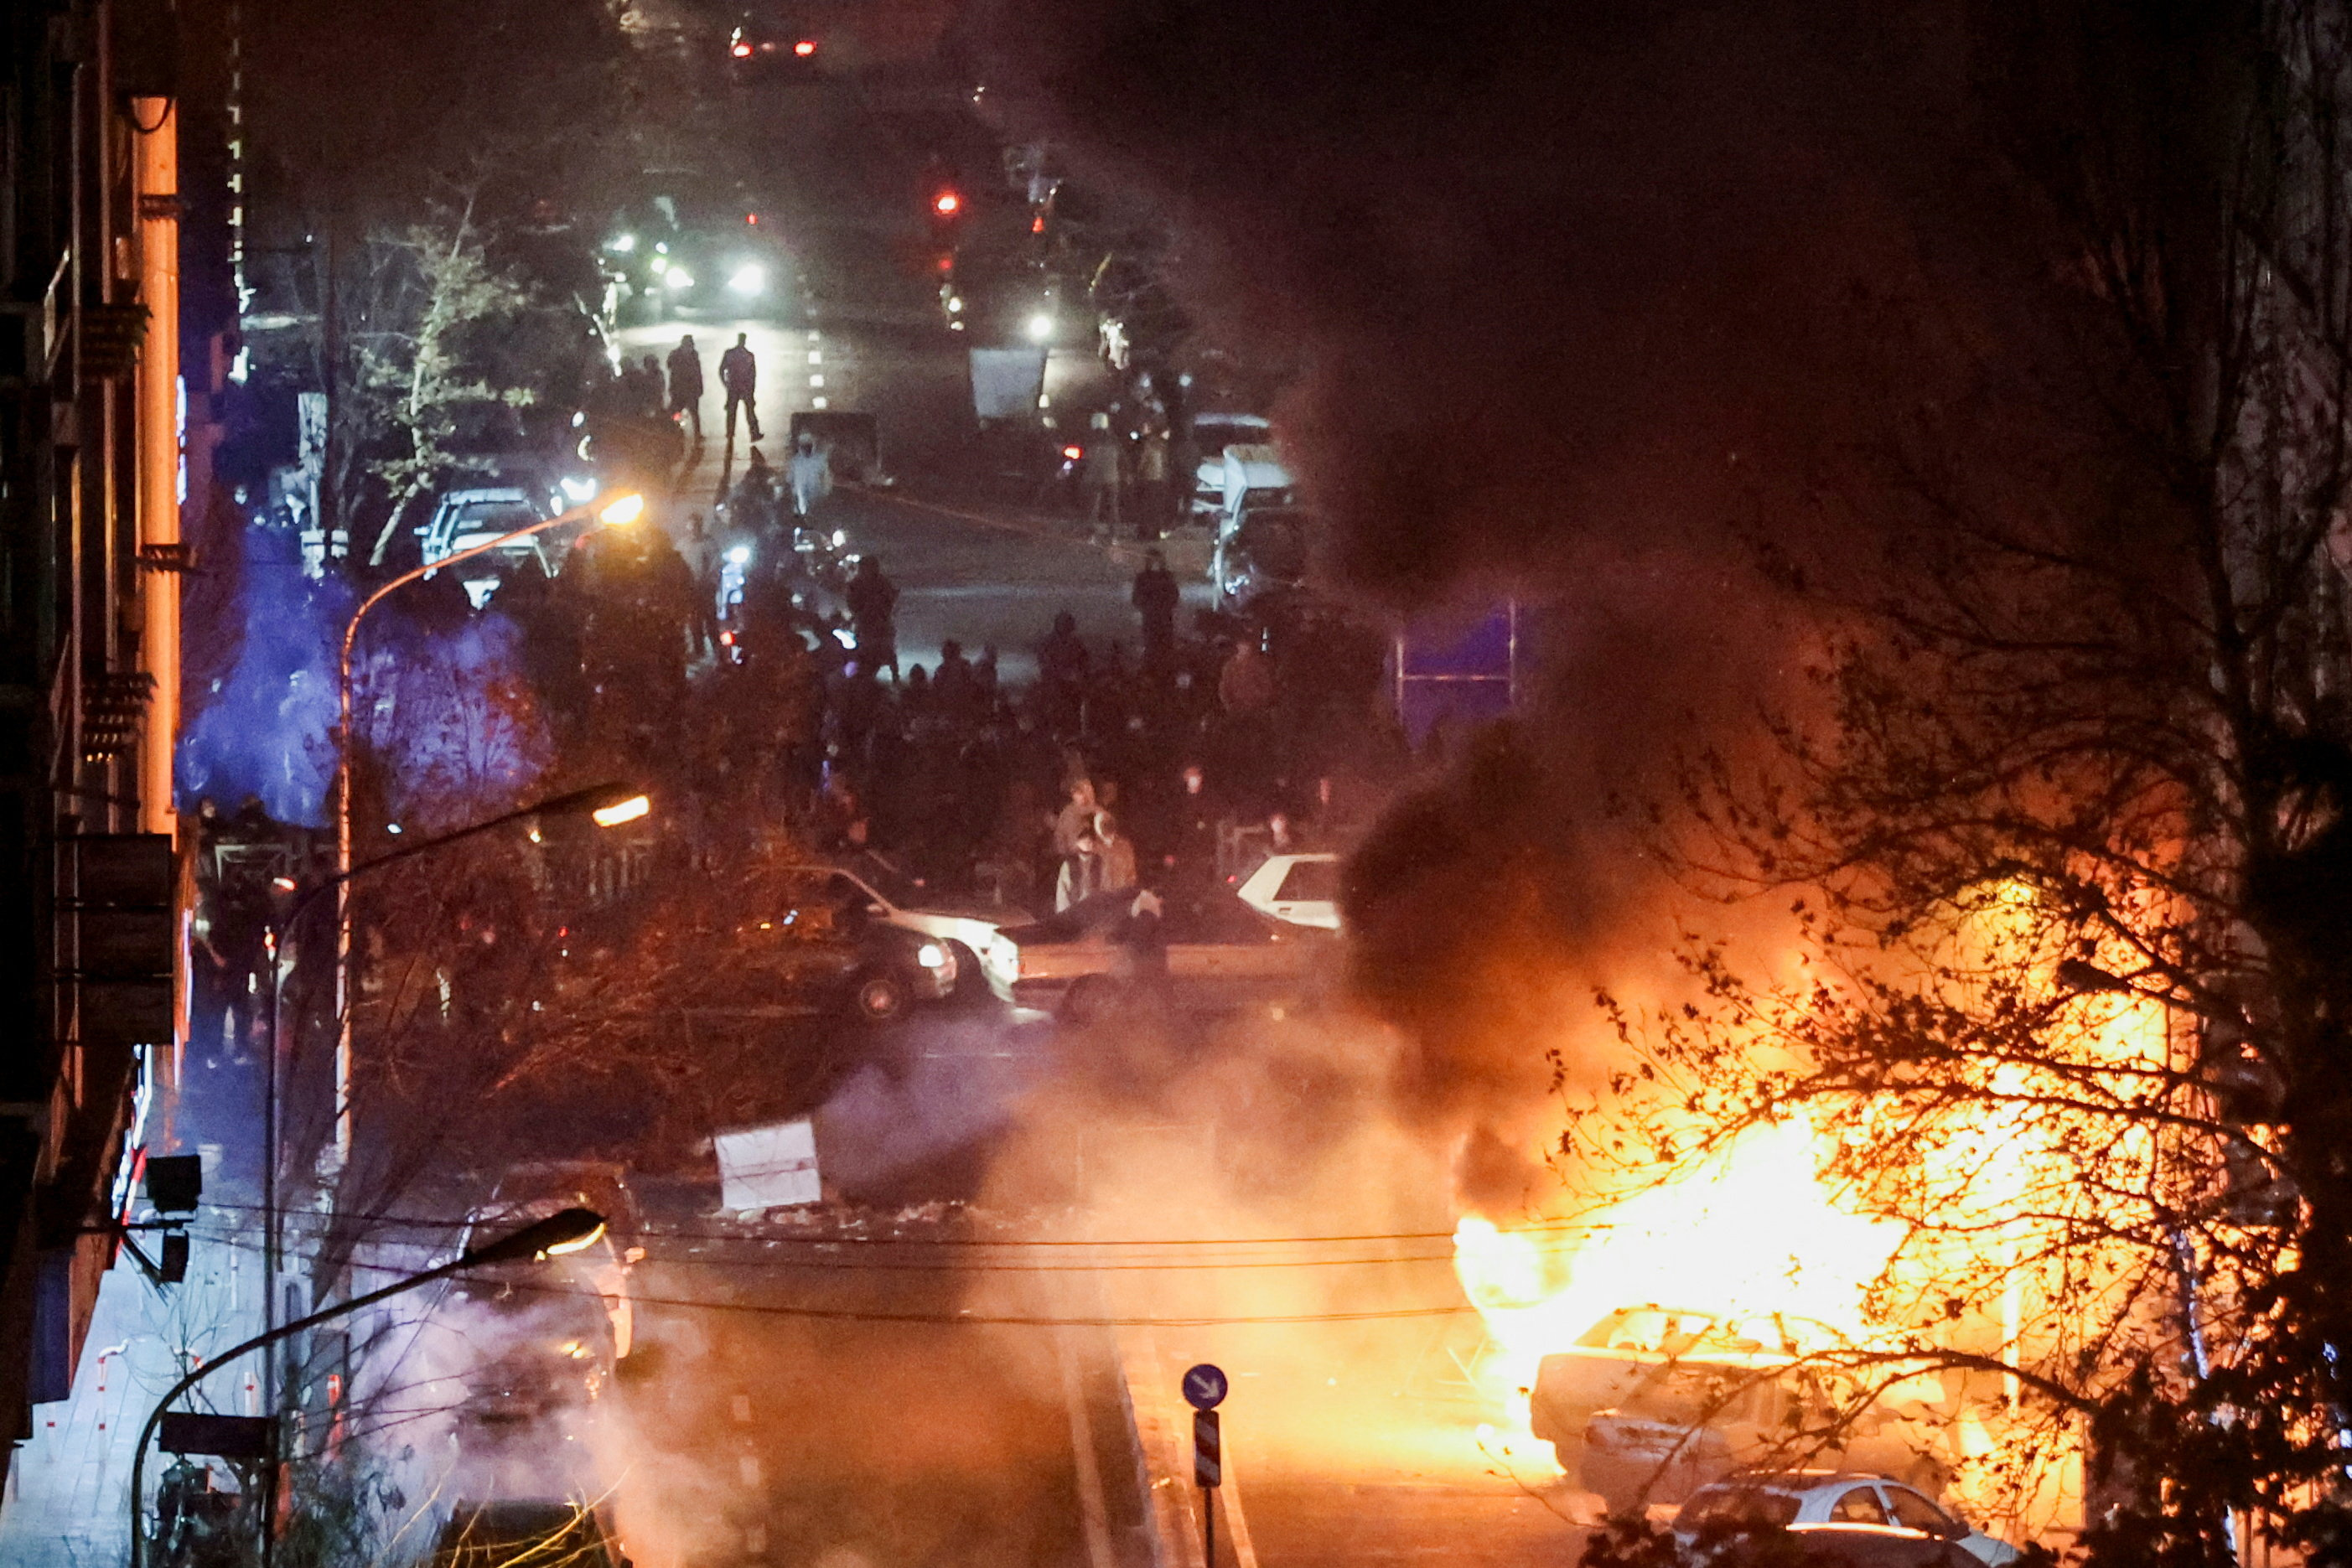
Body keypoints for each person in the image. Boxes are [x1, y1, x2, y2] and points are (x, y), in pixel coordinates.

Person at [845, 555, 900, 681]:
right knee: (863, 650)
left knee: (887, 650)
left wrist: (882, 607)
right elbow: (852, 603)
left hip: (881, 623)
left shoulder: (882, 582)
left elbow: (890, 600)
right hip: (865, 624)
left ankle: (895, 675)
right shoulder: (856, 584)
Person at [1131, 549, 1180, 670]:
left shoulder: (1167, 576)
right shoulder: (1142, 578)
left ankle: (1166, 670)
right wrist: (1148, 606)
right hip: (1150, 618)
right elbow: (1136, 597)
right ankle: (1151, 670)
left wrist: (1165, 605)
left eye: (1157, 560)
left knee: (1165, 645)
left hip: (1164, 618)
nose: (1155, 562)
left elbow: (1174, 594)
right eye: (1152, 560)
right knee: (1151, 645)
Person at [720, 332, 761, 441]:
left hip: (733, 386)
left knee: (732, 411)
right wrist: (752, 390)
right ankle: (754, 433)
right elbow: (753, 375)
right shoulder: (749, 356)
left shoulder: (730, 354)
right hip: (746, 387)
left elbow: (722, 369)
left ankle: (730, 433)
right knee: (750, 412)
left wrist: (726, 383)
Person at [667, 334, 705, 440]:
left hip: (685, 389)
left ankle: (685, 431)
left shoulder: (677, 354)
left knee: (689, 412)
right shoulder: (690, 354)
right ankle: (680, 430)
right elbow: (697, 372)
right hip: (683, 389)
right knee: (685, 412)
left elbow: (697, 372)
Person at [1092, 810, 1138, 893]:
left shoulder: (1124, 846)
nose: (1110, 836)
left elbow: (1131, 871)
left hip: (1121, 893)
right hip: (1101, 895)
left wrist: (1129, 889)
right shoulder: (1094, 848)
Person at [788, 431, 831, 519]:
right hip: (800, 502)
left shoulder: (820, 460)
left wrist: (825, 492)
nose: (807, 449)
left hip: (818, 500)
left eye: (808, 446)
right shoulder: (796, 462)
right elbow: (790, 479)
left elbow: (826, 478)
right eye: (804, 447)